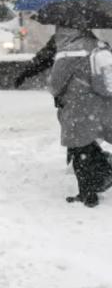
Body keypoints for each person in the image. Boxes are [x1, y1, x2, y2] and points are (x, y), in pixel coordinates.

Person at [47, 26, 112, 207]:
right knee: (88, 146)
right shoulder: (99, 45)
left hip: (79, 108)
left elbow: (55, 84)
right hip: (102, 105)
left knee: (79, 150)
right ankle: (102, 174)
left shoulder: (69, 52)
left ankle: (88, 194)